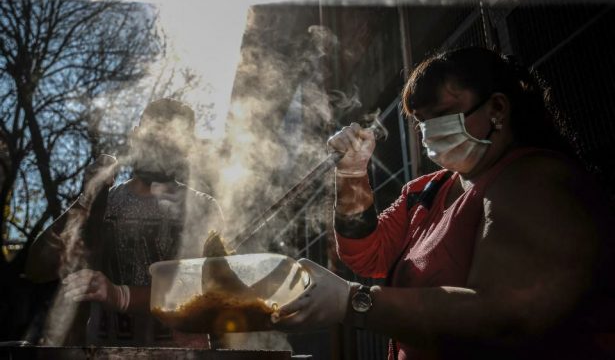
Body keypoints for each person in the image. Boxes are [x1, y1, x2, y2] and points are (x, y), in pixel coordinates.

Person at [272, 47, 614, 359]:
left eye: (443, 114)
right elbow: (365, 255)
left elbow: (502, 319)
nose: (429, 131)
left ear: (497, 108)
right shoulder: (426, 190)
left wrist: (354, 302)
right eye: (422, 120)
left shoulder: (536, 180)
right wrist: (351, 174)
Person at [26, 98, 224, 347]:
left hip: (181, 355)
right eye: (153, 137)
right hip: (106, 355)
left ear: (186, 149)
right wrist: (87, 198)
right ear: (135, 137)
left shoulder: (203, 208)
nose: (160, 148)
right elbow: (37, 268)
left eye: (171, 142)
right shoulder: (102, 205)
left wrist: (121, 296)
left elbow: (213, 289)